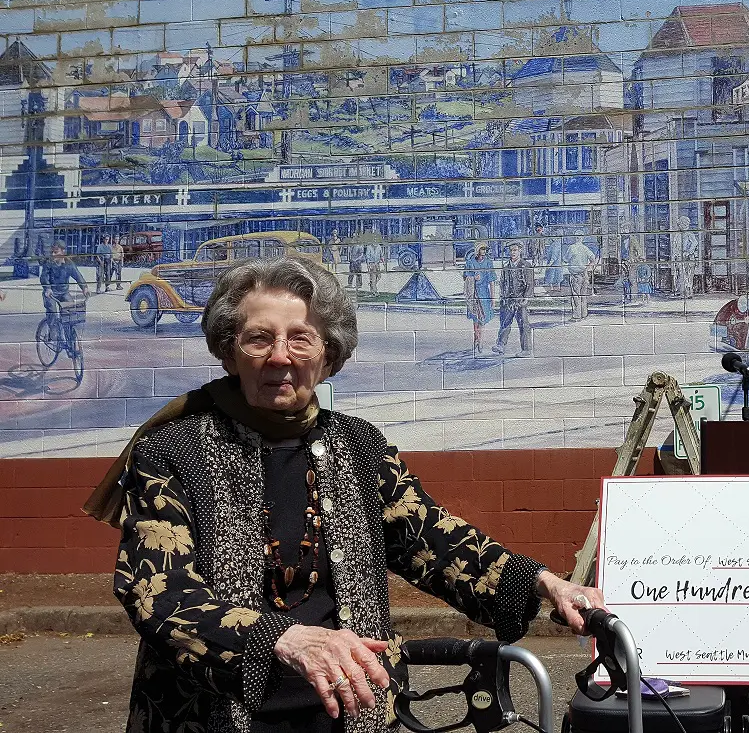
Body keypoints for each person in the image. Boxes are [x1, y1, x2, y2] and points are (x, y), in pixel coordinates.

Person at [83, 256, 604, 733]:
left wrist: (544, 583)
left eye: (300, 339)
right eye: (258, 339)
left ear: (328, 355)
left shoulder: (358, 446)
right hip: (211, 715)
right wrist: (281, 638)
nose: (279, 357)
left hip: (350, 712)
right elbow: (157, 592)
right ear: (228, 351)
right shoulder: (171, 451)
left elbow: (431, 537)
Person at [41, 241, 88, 345]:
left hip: (64, 293)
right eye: (52, 252)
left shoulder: (69, 264)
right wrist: (47, 288)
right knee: (52, 311)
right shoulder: (49, 263)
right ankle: (53, 332)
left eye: (56, 252)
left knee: (70, 313)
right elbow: (44, 277)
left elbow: (78, 276)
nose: (53, 254)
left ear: (63, 252)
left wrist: (84, 288)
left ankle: (70, 341)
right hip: (51, 293)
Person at [492, 242, 534, 357]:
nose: (512, 252)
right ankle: (500, 345)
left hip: (520, 299)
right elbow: (503, 283)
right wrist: (502, 296)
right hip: (508, 299)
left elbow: (530, 284)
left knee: (523, 324)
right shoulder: (506, 266)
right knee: (505, 323)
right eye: (510, 250)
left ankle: (526, 349)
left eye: (515, 250)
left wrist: (526, 298)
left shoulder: (526, 265)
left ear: (520, 250)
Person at [463, 242, 496, 355]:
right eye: (482, 249)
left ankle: (480, 341)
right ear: (477, 250)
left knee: (482, 318)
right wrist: (473, 277)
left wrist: (493, 298)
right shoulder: (470, 262)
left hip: (484, 294)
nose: (484, 251)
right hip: (473, 293)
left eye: (485, 249)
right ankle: (476, 338)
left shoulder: (488, 263)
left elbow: (492, 281)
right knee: (475, 319)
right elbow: (465, 276)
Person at [566, 236, 598, 321]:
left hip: (575, 275)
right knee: (583, 295)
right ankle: (584, 313)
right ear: (582, 239)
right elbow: (593, 259)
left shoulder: (572, 248)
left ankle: (577, 315)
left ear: (575, 238)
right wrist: (588, 268)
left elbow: (565, 259)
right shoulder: (585, 248)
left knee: (576, 295)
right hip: (584, 274)